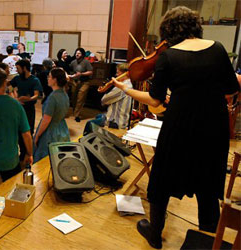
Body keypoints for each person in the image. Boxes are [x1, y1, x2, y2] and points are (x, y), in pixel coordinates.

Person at [110, 6, 240, 249]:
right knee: (208, 182)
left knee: (163, 178)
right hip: (214, 127)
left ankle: (155, 233)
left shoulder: (169, 56)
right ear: (196, 27)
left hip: (180, 126)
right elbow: (231, 88)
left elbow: (156, 100)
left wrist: (126, 88)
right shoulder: (219, 49)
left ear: (168, 30)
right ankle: (208, 238)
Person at [33, 68, 70, 163]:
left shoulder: (53, 97)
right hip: (62, 129)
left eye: (49, 77)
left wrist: (37, 136)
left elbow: (46, 119)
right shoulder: (64, 94)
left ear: (55, 80)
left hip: (51, 132)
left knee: (45, 161)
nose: (47, 78)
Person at [10, 59, 43, 166]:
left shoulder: (34, 80)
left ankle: (28, 153)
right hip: (18, 109)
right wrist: (15, 97)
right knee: (18, 132)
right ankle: (22, 152)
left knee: (28, 131)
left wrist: (28, 99)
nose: (17, 70)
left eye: (18, 68)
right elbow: (9, 86)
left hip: (29, 110)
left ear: (24, 68)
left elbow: (36, 95)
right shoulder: (17, 78)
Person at [101, 63, 133, 129]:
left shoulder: (122, 86)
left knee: (90, 124)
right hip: (122, 120)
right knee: (99, 116)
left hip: (116, 122)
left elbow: (104, 100)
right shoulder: (129, 84)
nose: (116, 75)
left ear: (124, 74)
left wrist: (106, 89)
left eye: (118, 73)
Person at [69, 48, 93, 122]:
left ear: (82, 54)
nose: (77, 54)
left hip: (84, 82)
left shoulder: (86, 62)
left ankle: (77, 115)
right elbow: (70, 70)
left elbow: (90, 72)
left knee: (80, 98)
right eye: (76, 53)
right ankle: (74, 112)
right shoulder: (73, 62)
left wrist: (82, 74)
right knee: (74, 97)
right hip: (75, 82)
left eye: (79, 53)